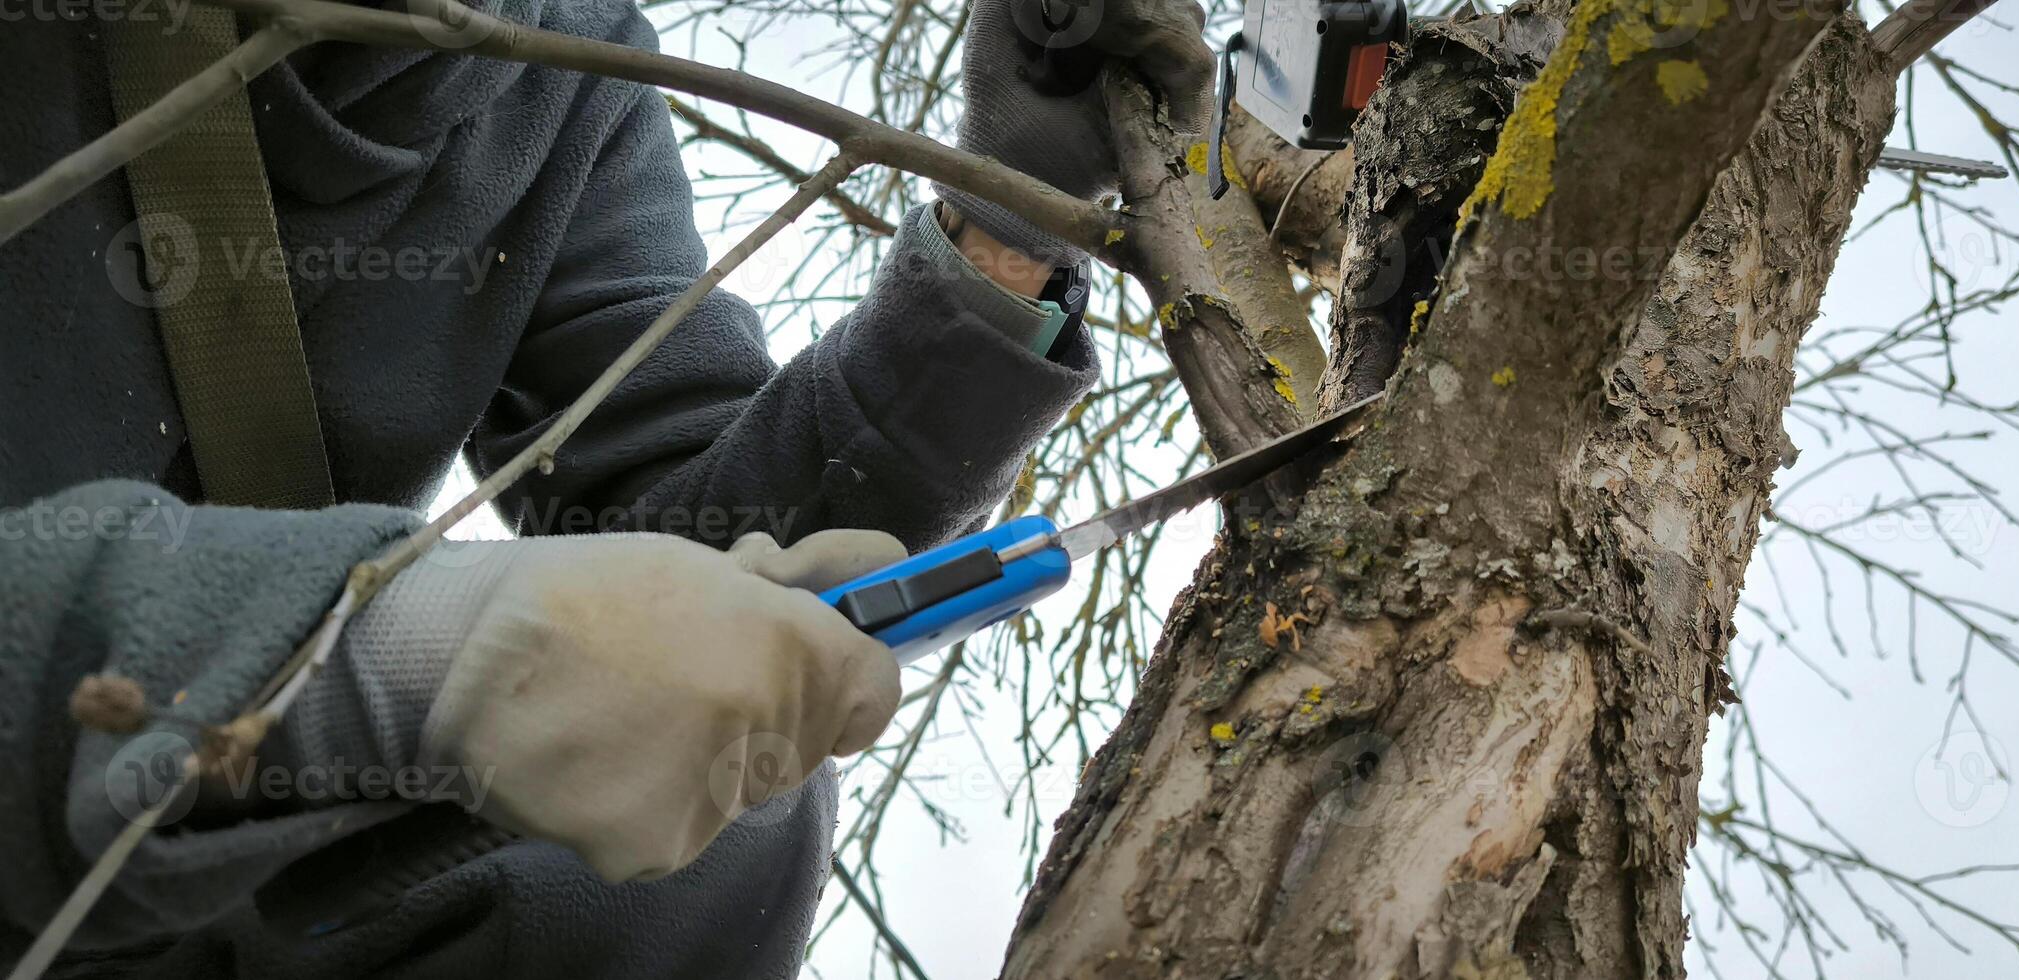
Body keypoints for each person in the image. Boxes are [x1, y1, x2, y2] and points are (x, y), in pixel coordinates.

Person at [0, 0, 1212, 974]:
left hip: (220, 875)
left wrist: (1005, 221)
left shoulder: (562, 65)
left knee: (715, 808)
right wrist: (393, 659)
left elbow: (696, 557)